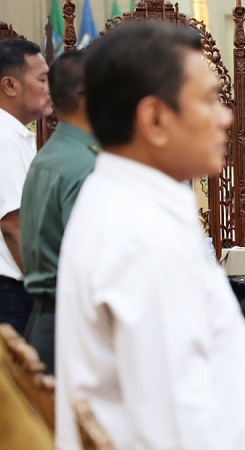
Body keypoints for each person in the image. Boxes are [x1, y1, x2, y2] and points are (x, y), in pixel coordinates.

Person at [55, 22, 245, 449]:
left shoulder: (137, 201)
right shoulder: (141, 234)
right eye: (210, 99)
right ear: (155, 119)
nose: (227, 116)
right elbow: (177, 422)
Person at [20, 50, 98, 374]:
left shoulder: (50, 155)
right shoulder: (88, 165)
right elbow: (94, 265)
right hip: (75, 327)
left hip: (45, 320)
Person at [0, 39, 51, 335]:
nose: (49, 88)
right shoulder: (5, 138)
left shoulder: (15, 135)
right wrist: (44, 294)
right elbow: (13, 225)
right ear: (10, 85)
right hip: (11, 291)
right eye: (42, 79)